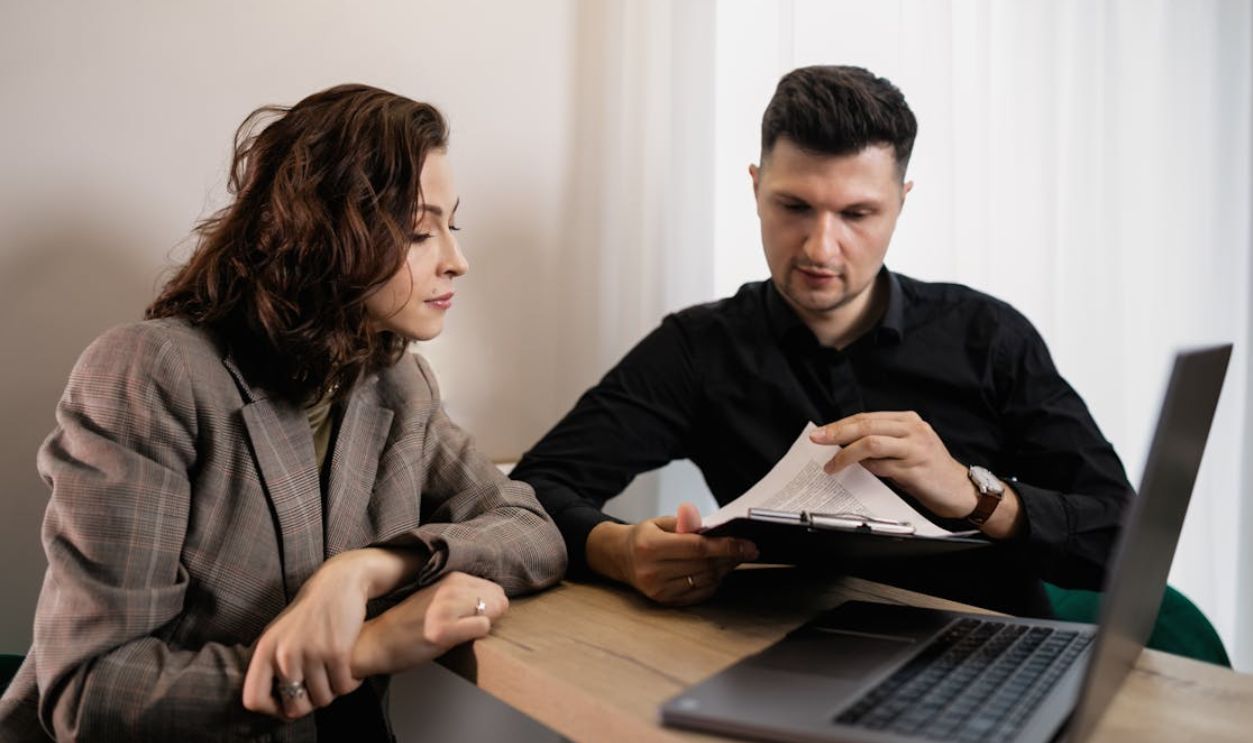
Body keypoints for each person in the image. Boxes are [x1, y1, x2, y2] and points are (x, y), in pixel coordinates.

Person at [0, 84, 566, 741]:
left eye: (451, 224)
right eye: (419, 229)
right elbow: (92, 693)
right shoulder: (149, 374)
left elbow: (529, 528)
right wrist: (364, 648)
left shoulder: (395, 383)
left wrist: (364, 570)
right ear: (325, 234)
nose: (456, 260)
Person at [511, 65, 1132, 616]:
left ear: (901, 203)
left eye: (857, 215)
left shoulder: (989, 336)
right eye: (794, 206)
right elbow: (531, 492)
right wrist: (617, 550)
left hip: (992, 661)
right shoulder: (698, 349)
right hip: (784, 661)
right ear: (755, 188)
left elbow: (1123, 542)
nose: (819, 248)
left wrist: (976, 497)